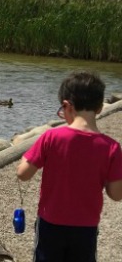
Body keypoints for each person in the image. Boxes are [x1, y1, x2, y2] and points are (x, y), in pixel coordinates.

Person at [17, 70, 122, 262]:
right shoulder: (112, 147)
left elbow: (23, 174)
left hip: (50, 224)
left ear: (66, 105)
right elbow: (116, 195)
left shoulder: (51, 137)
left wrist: (25, 160)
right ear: (99, 108)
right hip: (86, 228)